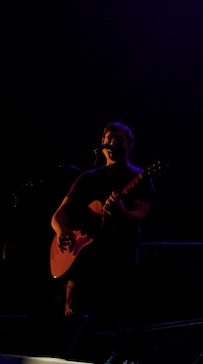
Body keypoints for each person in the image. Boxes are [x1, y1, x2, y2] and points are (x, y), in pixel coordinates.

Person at [51, 121, 154, 321]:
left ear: (130, 145)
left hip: (118, 263)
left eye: (119, 140)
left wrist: (121, 211)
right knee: (73, 322)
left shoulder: (141, 178)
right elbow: (58, 215)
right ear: (103, 144)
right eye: (109, 140)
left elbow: (139, 216)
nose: (114, 143)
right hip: (83, 266)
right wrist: (61, 231)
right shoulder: (87, 178)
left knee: (112, 320)